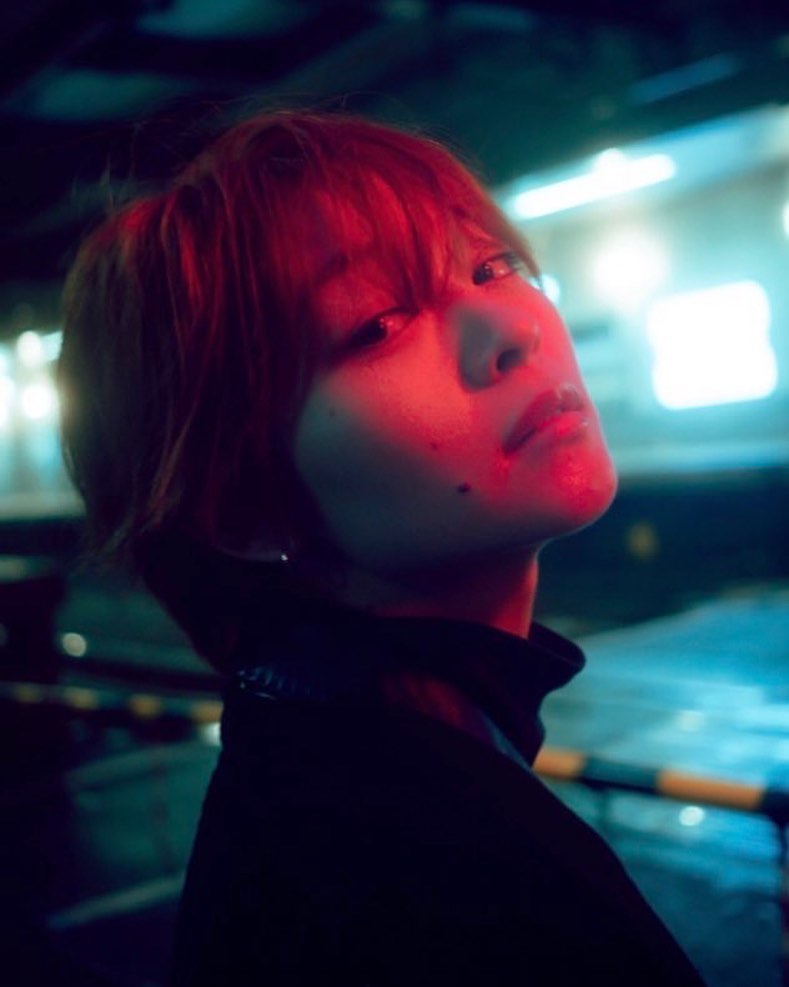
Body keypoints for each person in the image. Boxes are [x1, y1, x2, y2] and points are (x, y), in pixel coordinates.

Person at [58, 109, 706, 986]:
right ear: (245, 511)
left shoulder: (318, 764)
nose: (511, 330)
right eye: (378, 323)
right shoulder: (437, 871)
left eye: (491, 265)